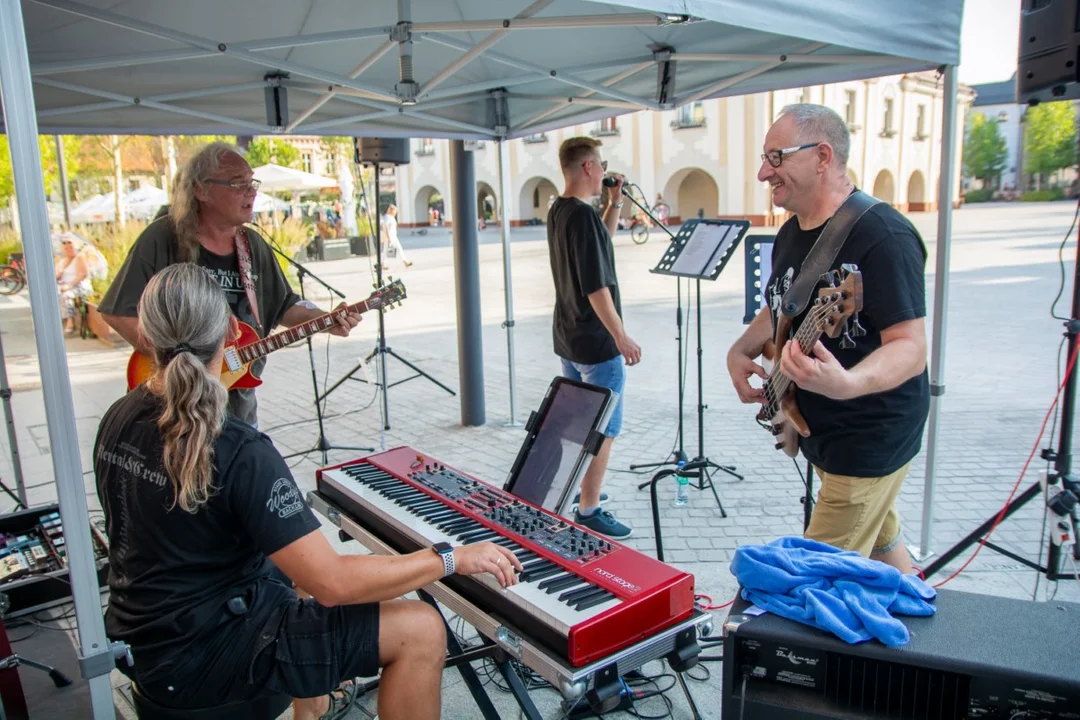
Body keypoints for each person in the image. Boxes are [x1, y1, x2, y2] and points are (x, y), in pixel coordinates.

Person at [95, 263, 523, 720]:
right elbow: (334, 584)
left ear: (147, 337)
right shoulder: (239, 449)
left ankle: (311, 707)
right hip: (209, 658)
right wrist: (449, 558)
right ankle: (310, 689)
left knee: (297, 577)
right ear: (228, 334)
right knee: (420, 627)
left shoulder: (118, 417)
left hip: (152, 644)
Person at [726, 104, 929, 572]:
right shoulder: (792, 231)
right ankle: (916, 625)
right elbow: (782, 305)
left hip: (866, 439)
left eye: (775, 158)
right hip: (824, 435)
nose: (763, 172)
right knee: (882, 550)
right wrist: (742, 349)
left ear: (822, 156)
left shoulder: (884, 236)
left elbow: (910, 346)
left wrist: (849, 384)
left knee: (808, 579)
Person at [98, 141, 360, 427]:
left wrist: (323, 318)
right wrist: (181, 365)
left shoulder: (253, 246)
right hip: (173, 413)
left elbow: (284, 304)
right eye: (238, 184)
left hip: (238, 412)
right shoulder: (162, 238)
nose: (252, 192)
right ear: (201, 190)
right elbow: (117, 312)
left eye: (252, 183)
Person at [546, 137, 642, 539]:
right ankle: (588, 508)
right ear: (587, 167)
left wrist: (615, 201)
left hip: (570, 337)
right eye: (600, 165)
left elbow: (600, 242)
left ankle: (570, 495)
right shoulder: (580, 216)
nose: (604, 171)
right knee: (604, 428)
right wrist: (621, 335)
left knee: (582, 423)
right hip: (596, 343)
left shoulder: (561, 211)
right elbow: (595, 285)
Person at [54, 235, 92, 335]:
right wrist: (60, 273)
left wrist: (69, 286)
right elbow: (55, 276)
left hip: (79, 286)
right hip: (64, 285)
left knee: (66, 295)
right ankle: (56, 320)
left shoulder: (80, 257)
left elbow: (83, 275)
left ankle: (70, 322)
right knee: (53, 293)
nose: (68, 249)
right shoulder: (62, 261)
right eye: (66, 248)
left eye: (71, 247)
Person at [379, 204, 412, 270]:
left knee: (398, 248)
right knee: (386, 250)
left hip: (393, 236)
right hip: (389, 236)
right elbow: (386, 228)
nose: (395, 212)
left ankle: (405, 262)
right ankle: (383, 264)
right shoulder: (387, 217)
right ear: (391, 210)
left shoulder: (391, 217)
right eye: (394, 211)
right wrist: (388, 238)